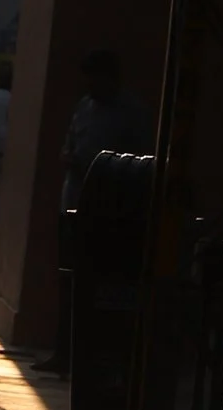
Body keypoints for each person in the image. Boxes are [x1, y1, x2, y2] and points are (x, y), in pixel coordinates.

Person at [37, 45, 153, 370]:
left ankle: (95, 357)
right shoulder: (85, 107)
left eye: (95, 81)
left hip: (109, 212)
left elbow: (141, 161)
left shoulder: (132, 113)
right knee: (69, 281)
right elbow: (70, 142)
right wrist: (69, 155)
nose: (90, 88)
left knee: (101, 287)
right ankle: (64, 353)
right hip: (73, 202)